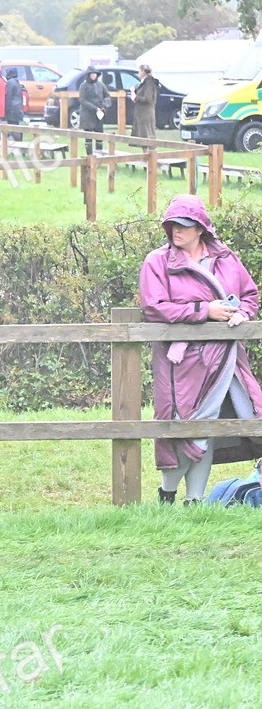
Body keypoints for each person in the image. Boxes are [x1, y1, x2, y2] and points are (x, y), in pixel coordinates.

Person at [139, 195, 262, 504]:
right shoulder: (158, 261)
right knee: (184, 429)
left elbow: (249, 295)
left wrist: (241, 313)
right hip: (181, 363)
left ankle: (195, 502)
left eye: (183, 225)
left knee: (208, 428)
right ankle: (167, 496)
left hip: (226, 359)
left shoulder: (226, 259)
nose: (175, 231)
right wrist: (204, 310)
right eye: (171, 225)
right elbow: (154, 307)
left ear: (200, 228)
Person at [79, 66, 111, 155]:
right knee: (88, 137)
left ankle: (99, 156)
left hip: (99, 114)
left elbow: (107, 96)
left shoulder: (101, 85)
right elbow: (82, 100)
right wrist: (94, 108)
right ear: (88, 75)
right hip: (87, 115)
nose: (94, 76)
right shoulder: (83, 86)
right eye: (92, 74)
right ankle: (89, 156)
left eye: (95, 74)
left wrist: (104, 105)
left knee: (99, 136)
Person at [133, 63, 159, 142]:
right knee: (143, 136)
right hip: (142, 113)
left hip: (146, 113)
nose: (138, 73)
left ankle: (149, 149)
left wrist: (136, 98)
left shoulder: (149, 82)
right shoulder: (144, 82)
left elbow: (148, 98)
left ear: (143, 71)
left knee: (147, 135)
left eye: (139, 71)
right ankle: (146, 149)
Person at [4, 68, 25, 141]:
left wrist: (6, 109)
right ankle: (19, 141)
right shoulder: (17, 82)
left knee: (12, 126)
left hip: (12, 108)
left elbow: (8, 96)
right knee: (17, 125)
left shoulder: (10, 83)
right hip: (18, 108)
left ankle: (16, 141)